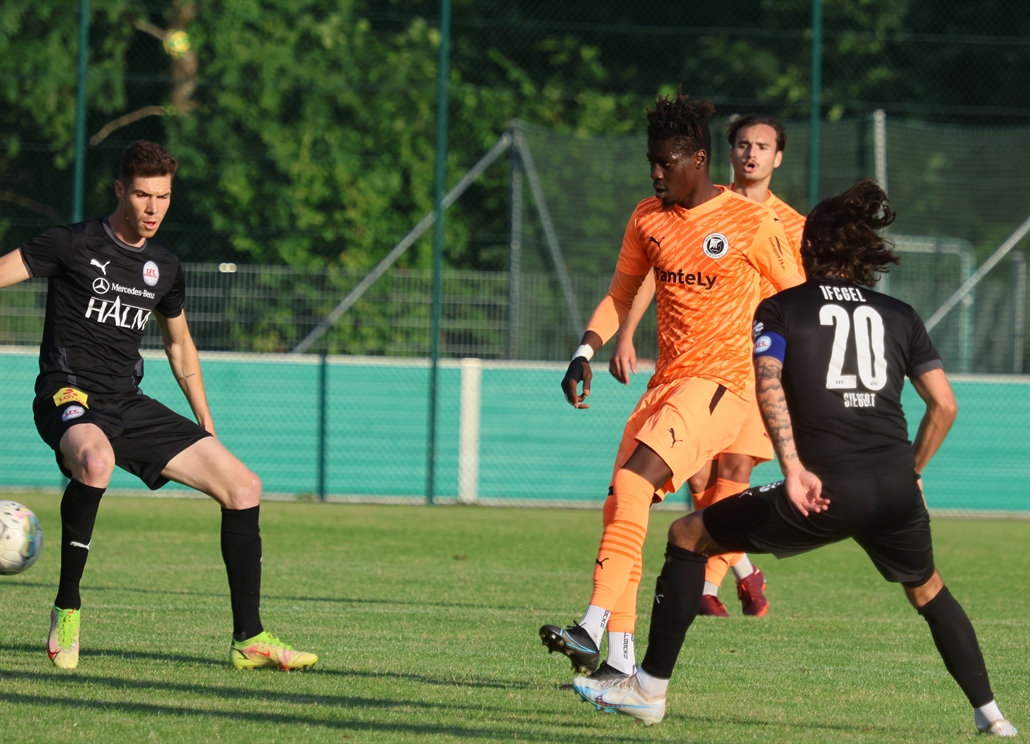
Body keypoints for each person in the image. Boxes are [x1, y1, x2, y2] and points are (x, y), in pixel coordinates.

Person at [571, 180, 1017, 737]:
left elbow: (769, 387)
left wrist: (794, 467)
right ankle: (992, 716)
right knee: (928, 589)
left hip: (824, 488)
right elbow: (944, 406)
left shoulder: (780, 308)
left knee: (687, 535)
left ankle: (648, 688)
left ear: (808, 248)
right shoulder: (900, 313)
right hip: (895, 488)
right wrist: (915, 471)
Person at [0, 140, 317, 672]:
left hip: (128, 401)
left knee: (244, 487)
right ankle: (67, 610)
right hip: (68, 393)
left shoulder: (164, 265)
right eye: (143, 195)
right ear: (120, 190)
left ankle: (250, 638)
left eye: (163, 197)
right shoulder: (71, 242)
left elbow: (178, 344)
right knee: (96, 462)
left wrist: (205, 421)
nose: (153, 209)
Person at [539, 93, 802, 683]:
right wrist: (586, 349)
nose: (656, 173)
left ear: (698, 159)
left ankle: (592, 623)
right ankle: (621, 660)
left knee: (636, 483)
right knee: (620, 505)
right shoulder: (648, 218)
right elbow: (621, 293)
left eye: (666, 162)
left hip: (720, 386)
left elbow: (800, 295)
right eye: (650, 162)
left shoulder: (751, 222)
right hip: (666, 383)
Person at [609, 114, 807, 619]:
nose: (751, 154)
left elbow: (799, 297)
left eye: (762, 146)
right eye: (743, 144)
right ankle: (743, 570)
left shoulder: (788, 224)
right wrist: (625, 332)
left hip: (753, 368)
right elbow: (658, 265)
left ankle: (704, 582)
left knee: (735, 469)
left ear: (778, 157)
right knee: (696, 481)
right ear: (727, 151)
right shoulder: (692, 207)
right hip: (693, 366)